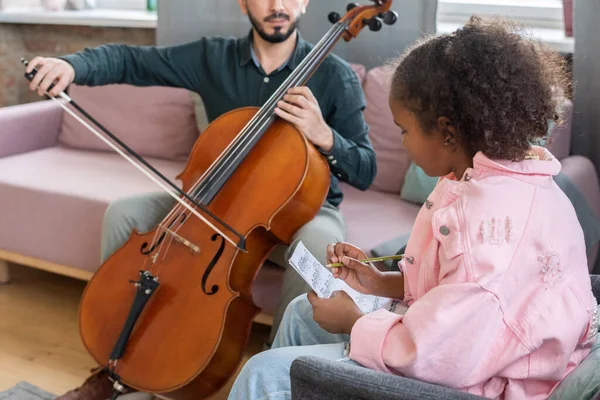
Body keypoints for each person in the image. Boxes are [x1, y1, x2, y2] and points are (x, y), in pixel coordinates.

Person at [228, 16, 599, 400]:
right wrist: (378, 281)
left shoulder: (487, 234)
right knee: (301, 313)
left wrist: (354, 321)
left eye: (404, 130)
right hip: (469, 348)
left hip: (483, 382)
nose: (401, 143)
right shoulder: (485, 176)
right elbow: (453, 293)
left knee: (262, 374)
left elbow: (440, 354)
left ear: (447, 131)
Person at [26, 0, 376, 399]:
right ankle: (116, 362)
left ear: (304, 2)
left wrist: (325, 135)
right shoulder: (213, 57)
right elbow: (132, 61)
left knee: (316, 251)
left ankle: (279, 374)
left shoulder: (335, 75)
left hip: (303, 209)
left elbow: (365, 169)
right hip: (212, 200)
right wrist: (72, 66)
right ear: (244, 2)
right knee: (124, 213)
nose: (278, 6)